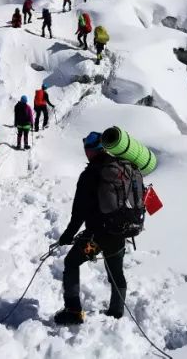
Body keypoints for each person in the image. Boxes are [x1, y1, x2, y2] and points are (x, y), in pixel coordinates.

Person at [52, 132, 136, 325]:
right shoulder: (121, 168)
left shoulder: (89, 175)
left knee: (72, 262)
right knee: (116, 271)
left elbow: (78, 213)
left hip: (96, 238)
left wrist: (67, 235)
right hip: (120, 233)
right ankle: (116, 311)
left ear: (90, 151)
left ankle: (73, 311)